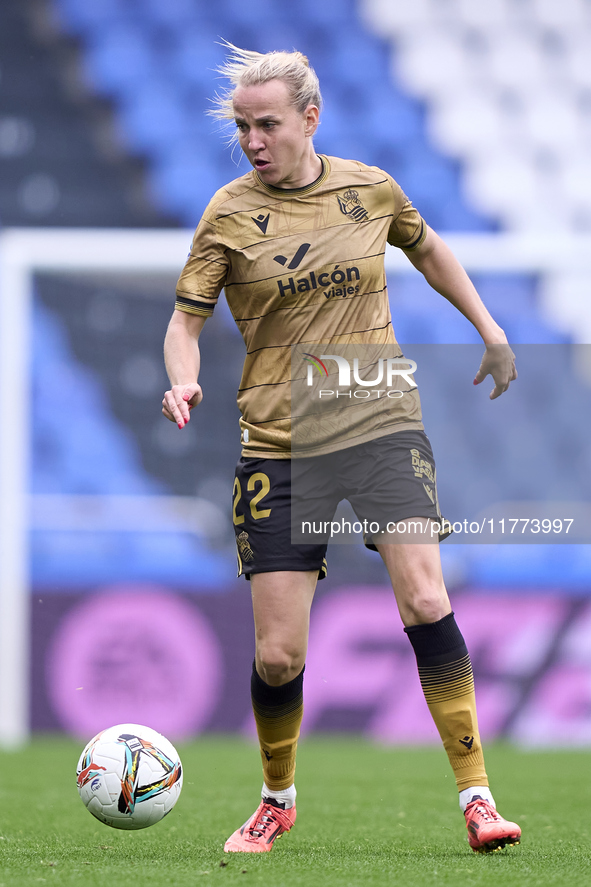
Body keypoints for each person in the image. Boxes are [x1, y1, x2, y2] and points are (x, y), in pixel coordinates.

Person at [162, 43, 520, 855]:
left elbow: (426, 247)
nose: (254, 141)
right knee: (279, 655)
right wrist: (182, 379)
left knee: (426, 598)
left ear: (309, 118)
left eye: (268, 125)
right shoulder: (226, 214)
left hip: (378, 421)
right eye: (243, 129)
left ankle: (477, 797)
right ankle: (277, 797)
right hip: (279, 446)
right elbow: (184, 322)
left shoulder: (369, 189)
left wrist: (489, 328)